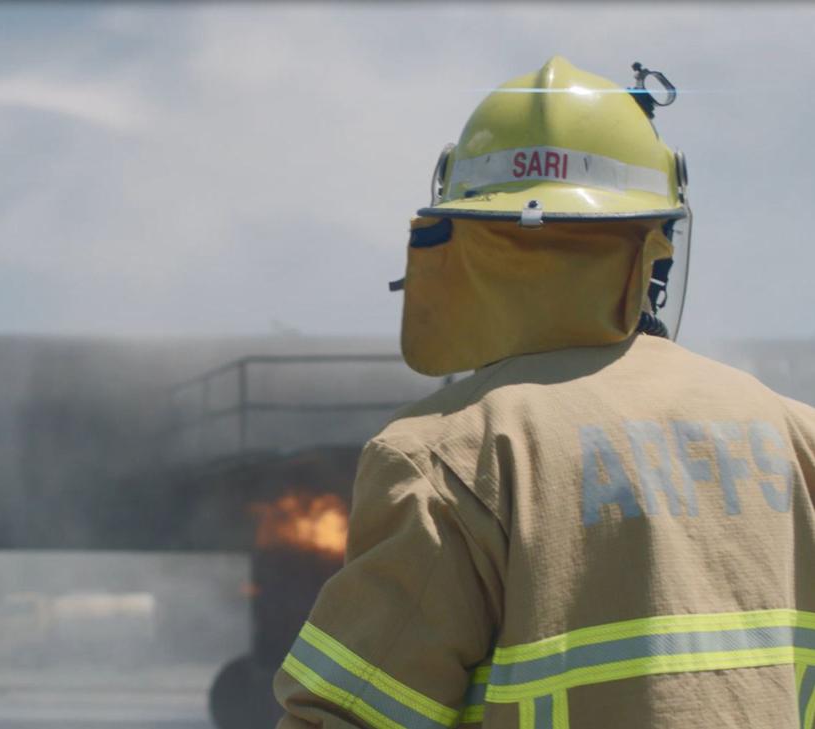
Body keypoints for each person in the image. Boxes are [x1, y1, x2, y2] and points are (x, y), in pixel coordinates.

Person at [272, 56, 815, 729]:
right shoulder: (795, 437)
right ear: (659, 244)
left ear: (459, 239)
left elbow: (352, 715)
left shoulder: (446, 457)